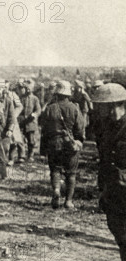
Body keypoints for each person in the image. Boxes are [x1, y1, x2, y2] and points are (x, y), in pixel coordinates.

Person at [91, 83, 126, 261]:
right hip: (114, 191)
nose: (99, 110)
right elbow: (104, 160)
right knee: (122, 238)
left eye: (102, 106)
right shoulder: (107, 126)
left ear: (113, 105)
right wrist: (103, 188)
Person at [39, 81, 85, 209]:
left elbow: (44, 130)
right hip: (70, 144)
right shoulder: (75, 108)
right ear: (68, 94)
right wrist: (79, 140)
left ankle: (57, 191)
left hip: (53, 143)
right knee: (71, 173)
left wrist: (43, 149)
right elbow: (80, 128)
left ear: (57, 93)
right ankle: (69, 201)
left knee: (55, 170)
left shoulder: (49, 108)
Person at [16, 80, 42, 162]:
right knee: (20, 139)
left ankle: (30, 155)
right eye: (26, 88)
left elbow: (38, 110)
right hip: (21, 122)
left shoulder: (35, 99)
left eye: (29, 88)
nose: (27, 90)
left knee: (31, 141)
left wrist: (35, 114)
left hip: (31, 122)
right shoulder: (21, 98)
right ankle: (22, 156)